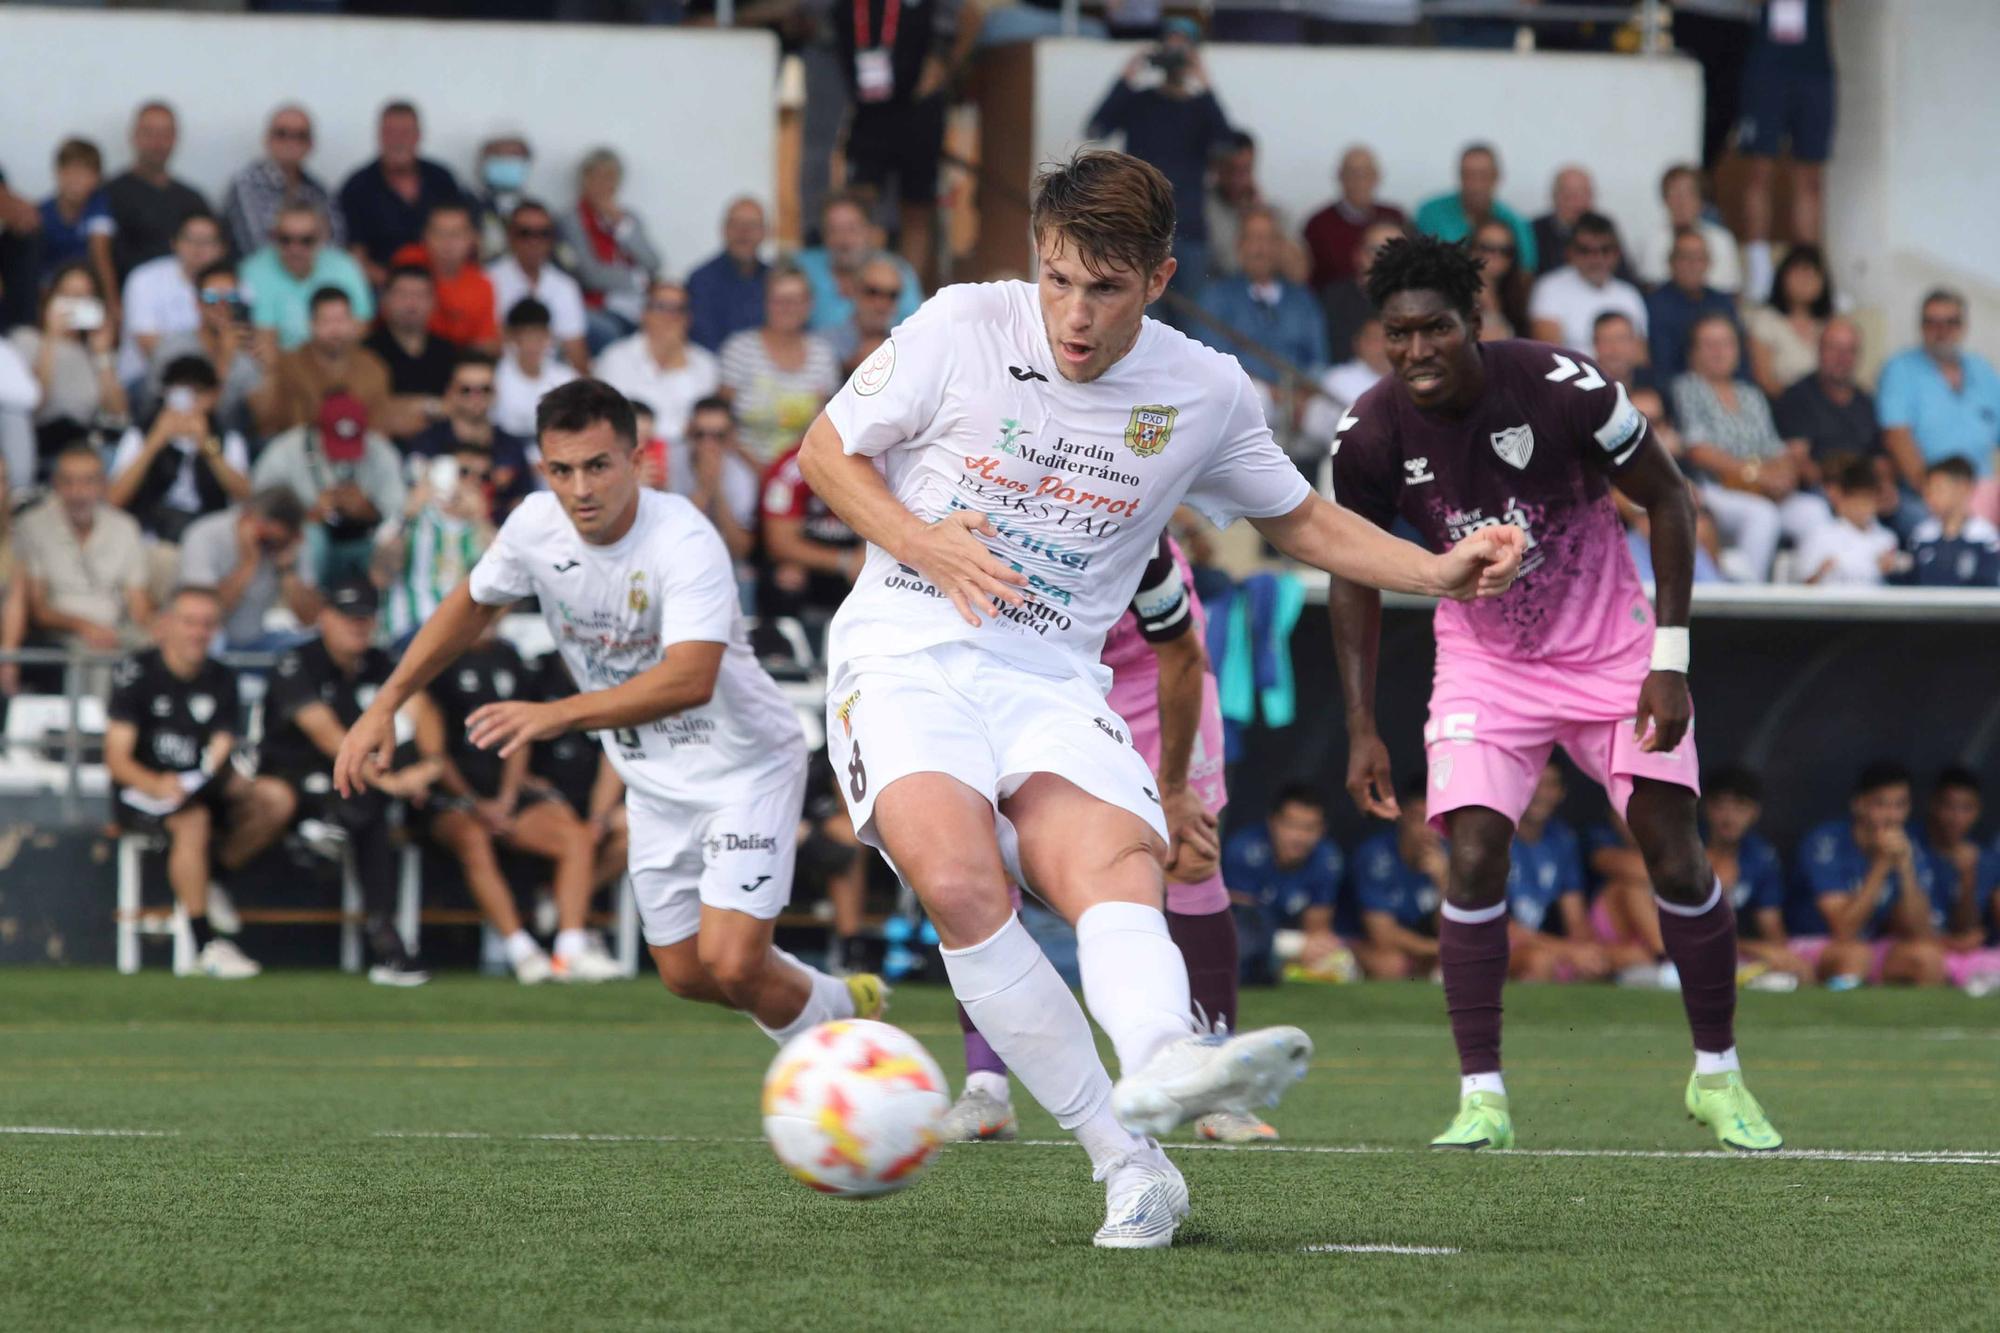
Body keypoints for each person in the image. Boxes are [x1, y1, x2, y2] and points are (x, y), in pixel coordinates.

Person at [795, 150, 1521, 1246]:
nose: (1071, 314)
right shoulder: (958, 325)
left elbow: (1299, 520)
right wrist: (920, 541)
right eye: (1055, 279)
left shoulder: (1205, 388)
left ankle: (1164, 1058)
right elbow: (824, 451)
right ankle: (1128, 1166)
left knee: (1112, 864)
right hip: (904, 647)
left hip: (1048, 673)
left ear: (1160, 279)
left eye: (1103, 288)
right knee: (956, 878)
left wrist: (1437, 569)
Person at [1329, 232, 1782, 1152]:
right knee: (1474, 857)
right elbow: (1350, 572)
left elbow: (1672, 499)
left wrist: (1670, 658)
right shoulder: (1369, 432)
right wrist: (1361, 724)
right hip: (1486, 667)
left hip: (1613, 653)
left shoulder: (1565, 386)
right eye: (1398, 333)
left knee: (1677, 855)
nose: (1416, 350)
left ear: (1475, 323)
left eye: (1435, 329)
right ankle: (1482, 1098)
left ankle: (1717, 1075)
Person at [332, 379, 885, 1055]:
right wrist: (385, 703)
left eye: (597, 465)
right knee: (686, 973)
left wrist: (558, 714)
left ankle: (851, 1067)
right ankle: (835, 999)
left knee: (735, 959)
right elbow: (471, 602)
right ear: (543, 469)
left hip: (745, 768)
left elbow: (690, 677)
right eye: (561, 470)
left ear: (637, 460)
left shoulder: (683, 538)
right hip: (652, 779)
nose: (581, 488)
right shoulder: (534, 526)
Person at [944, 534, 1268, 1145]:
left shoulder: (1124, 496)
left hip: (1152, 671)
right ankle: (985, 1090)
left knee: (1193, 855)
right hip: (1030, 675)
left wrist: (1173, 786)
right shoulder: (976, 486)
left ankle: (1214, 1088)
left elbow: (1179, 650)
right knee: (982, 863)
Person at [414, 619, 624, 983]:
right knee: (472, 838)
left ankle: (569, 947)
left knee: (576, 836)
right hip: (452, 796)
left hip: (505, 794)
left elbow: (520, 734)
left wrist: (508, 799)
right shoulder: (438, 662)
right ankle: (521, 950)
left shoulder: (510, 657)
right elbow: (434, 751)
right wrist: (474, 802)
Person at [106, 585, 295, 979]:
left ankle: (214, 876)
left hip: (198, 786)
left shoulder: (221, 677)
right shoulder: (136, 672)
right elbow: (117, 760)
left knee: (275, 798)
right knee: (191, 821)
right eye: (189, 622)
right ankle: (204, 943)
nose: (198, 632)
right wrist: (157, 784)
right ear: (165, 626)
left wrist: (225, 770)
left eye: (208, 624)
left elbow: (221, 743)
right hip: (143, 792)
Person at [262, 580, 436, 985]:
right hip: (294, 779)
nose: (357, 626)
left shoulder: (380, 663)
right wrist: (393, 782)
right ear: (324, 618)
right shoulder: (297, 661)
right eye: (347, 618)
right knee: (366, 798)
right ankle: (385, 937)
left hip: (356, 785)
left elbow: (423, 711)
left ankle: (382, 931)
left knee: (371, 800)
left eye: (365, 618)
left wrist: (428, 766)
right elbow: (326, 736)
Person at [1674, 312, 1829, 581]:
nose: (1719, 352)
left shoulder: (1751, 394)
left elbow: (1776, 448)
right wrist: (1755, 474)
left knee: (1813, 510)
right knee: (1762, 516)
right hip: (1715, 489)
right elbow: (1697, 449)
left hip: (1764, 488)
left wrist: (1784, 477)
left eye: (1726, 343)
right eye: (1709, 344)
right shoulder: (1687, 387)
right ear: (1694, 352)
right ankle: (1747, 602)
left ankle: (1805, 594)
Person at [1085, 20, 1234, 297]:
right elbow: (1096, 130)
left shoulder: (1199, 108)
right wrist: (1127, 75)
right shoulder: (1140, 102)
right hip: (1141, 229)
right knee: (1142, 320)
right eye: (1170, 46)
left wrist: (1204, 83)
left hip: (1188, 228)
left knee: (1192, 324)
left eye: (1183, 48)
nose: (1175, 55)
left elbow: (1227, 144)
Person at [834, 0, 962, 284]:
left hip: (918, 107)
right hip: (868, 107)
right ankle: (861, 284)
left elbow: (960, 22)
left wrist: (940, 64)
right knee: (858, 201)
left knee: (917, 205)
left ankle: (907, 294)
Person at [1790, 762, 1947, 988]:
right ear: (1859, 805)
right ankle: (1835, 1019)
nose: (1891, 816)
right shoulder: (1826, 843)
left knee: (1927, 957)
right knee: (1854, 956)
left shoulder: (1909, 847)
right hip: (1812, 944)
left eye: (1900, 805)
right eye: (1881, 805)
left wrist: (1905, 869)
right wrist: (1881, 865)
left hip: (1867, 947)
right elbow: (1843, 929)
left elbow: (1920, 932)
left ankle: (1910, 1023)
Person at [17, 445, 152, 665]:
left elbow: (139, 604)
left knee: (158, 645)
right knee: (92, 651)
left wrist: (159, 628)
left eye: (88, 481)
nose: (78, 492)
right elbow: (38, 608)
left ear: (102, 485)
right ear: (56, 485)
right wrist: (84, 626)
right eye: (68, 482)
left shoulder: (125, 527)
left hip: (117, 630)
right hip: (61, 633)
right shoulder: (33, 525)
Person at [251, 391, 405, 586]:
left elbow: (400, 514)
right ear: (318, 429)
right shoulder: (284, 451)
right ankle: (307, 607)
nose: (343, 455)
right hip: (306, 542)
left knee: (393, 541)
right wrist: (309, 514)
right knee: (311, 538)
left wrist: (369, 510)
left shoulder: (381, 451)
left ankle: (384, 607)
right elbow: (258, 511)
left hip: (363, 541)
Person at [1736, 0, 1835, 294]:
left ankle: (1810, 269)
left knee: (1811, 177)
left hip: (1814, 66)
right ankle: (1758, 265)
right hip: (1767, 65)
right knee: (1759, 169)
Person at [108, 355, 253, 553]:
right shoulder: (140, 434)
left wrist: (207, 447)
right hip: (149, 536)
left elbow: (245, 496)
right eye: (181, 393)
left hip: (207, 537)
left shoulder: (227, 439)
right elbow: (113, 499)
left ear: (213, 396)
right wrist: (154, 443)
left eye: (198, 393)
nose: (189, 402)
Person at [1503, 763, 1629, 983]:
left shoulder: (1563, 840)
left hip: (1539, 943)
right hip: (1489, 945)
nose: (1541, 793)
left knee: (1602, 960)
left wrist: (1588, 952)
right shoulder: (1496, 837)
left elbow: (1575, 917)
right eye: (1534, 784)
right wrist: (1567, 950)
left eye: (1550, 785)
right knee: (1540, 961)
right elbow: (1495, 925)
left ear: (1561, 793)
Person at [1195, 207, 1327, 417]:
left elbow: (1318, 357)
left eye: (1269, 239)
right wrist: (1274, 392)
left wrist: (1304, 393)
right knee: (1257, 398)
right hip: (1243, 395)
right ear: (1240, 246)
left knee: (1334, 412)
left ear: (1280, 247)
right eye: (1253, 239)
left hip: (1298, 398)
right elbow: (1212, 360)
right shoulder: (1217, 295)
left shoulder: (1302, 299)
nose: (1261, 249)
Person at [1877, 290, 2000, 514]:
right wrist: (1934, 494)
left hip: (1983, 491)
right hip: (1926, 494)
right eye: (1932, 323)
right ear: (1921, 327)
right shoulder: (1900, 369)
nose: (1941, 331)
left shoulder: (1983, 371)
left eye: (1950, 322)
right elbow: (1897, 438)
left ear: (1963, 326)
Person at [1698, 767, 1813, 986]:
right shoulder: (1684, 849)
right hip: (1674, 952)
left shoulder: (1760, 857)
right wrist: (1753, 948)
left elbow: (1772, 930)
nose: (1729, 817)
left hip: (1730, 953)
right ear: (1706, 808)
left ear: (1754, 812)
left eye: (1740, 807)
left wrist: (1777, 955)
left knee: (1793, 974)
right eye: (1720, 806)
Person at [718, 268, 842, 467]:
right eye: (780, 300)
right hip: (741, 463)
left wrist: (783, 472)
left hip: (800, 465)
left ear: (809, 305)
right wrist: (758, 469)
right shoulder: (739, 349)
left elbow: (823, 427)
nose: (788, 308)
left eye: (796, 301)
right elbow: (721, 418)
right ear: (766, 303)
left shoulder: (823, 355)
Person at [379, 439, 499, 646]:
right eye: (464, 472)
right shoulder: (414, 517)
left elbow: (504, 582)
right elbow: (380, 577)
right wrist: (407, 514)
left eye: (483, 476)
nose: (473, 481)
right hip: (411, 629)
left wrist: (480, 519)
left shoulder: (482, 529)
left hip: (461, 637)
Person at [1226, 785, 1346, 986]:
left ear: (1322, 829)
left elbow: (1317, 929)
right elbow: (1240, 924)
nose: (1299, 836)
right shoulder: (1243, 850)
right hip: (1245, 942)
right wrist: (1295, 946)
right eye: (1291, 825)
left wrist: (1312, 948)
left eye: (1309, 828)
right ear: (1272, 822)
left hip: (1291, 947)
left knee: (1336, 960)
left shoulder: (1327, 859)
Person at [177, 487, 321, 651]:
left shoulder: (292, 544)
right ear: (248, 518)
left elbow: (309, 619)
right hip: (210, 637)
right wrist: (248, 563)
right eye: (268, 540)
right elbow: (204, 614)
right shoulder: (204, 535)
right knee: (210, 641)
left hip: (257, 638)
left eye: (280, 542)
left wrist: (287, 572)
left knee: (313, 645)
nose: (272, 547)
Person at [338, 101, 464, 287]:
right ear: (379, 136)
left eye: (405, 133)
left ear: (418, 136)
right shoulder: (358, 187)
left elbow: (462, 236)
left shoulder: (442, 179)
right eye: (390, 133)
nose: (398, 141)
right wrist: (400, 288)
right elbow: (355, 257)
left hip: (443, 282)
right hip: (382, 288)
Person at [9, 264, 128, 454]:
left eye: (82, 297)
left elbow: (118, 416)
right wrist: (50, 339)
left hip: (82, 444)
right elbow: (35, 404)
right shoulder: (26, 339)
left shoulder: (94, 352)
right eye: (67, 295)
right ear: (51, 298)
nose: (74, 304)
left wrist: (102, 354)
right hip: (37, 440)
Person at [139, 261, 265, 436]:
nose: (222, 305)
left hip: (236, 442)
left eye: (232, 297)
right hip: (178, 440)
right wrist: (225, 356)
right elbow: (195, 415)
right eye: (211, 297)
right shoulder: (174, 348)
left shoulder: (246, 349)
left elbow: (264, 420)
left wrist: (269, 367)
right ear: (197, 303)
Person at [248, 288, 393, 438]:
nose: (335, 330)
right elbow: (265, 422)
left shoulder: (373, 367)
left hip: (359, 452)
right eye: (326, 321)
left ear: (353, 323)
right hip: (299, 453)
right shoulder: (288, 365)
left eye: (341, 320)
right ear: (311, 324)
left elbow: (380, 427)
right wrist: (269, 371)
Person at [405, 352, 536, 519]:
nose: (476, 397)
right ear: (450, 392)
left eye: (485, 389)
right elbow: (415, 500)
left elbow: (525, 505)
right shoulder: (427, 443)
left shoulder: (511, 446)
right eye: (466, 390)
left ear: (495, 393)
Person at [594, 280, 719, 451]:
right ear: (644, 314)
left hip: (689, 458)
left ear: (688, 318)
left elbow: (705, 425)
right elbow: (610, 422)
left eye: (678, 309)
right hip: (631, 454)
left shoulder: (705, 363)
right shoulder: (616, 358)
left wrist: (678, 364)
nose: (670, 316)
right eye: (661, 307)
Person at [558, 148, 661, 352]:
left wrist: (622, 226)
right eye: (599, 176)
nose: (605, 184)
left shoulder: (628, 219)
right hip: (596, 307)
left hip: (637, 307)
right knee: (611, 334)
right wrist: (639, 280)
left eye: (612, 178)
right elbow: (590, 275)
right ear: (585, 179)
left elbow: (653, 263)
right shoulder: (571, 221)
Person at [759, 434, 864, 634]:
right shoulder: (792, 466)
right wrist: (846, 562)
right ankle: (781, 654)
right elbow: (779, 542)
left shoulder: (876, 462)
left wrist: (867, 559)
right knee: (786, 578)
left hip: (861, 557)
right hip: (811, 564)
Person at [1348, 774, 1444, 980]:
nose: (1428, 831)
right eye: (1420, 819)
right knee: (1391, 964)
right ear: (1402, 816)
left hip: (1421, 950)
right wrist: (1436, 949)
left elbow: (1452, 931)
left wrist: (1445, 883)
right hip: (1359, 945)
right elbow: (1382, 935)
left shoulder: (1446, 857)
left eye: (1436, 821)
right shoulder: (1375, 856)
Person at [239, 203, 374, 351]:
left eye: (306, 240)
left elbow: (362, 325)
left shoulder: (345, 265)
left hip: (336, 358)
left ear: (322, 238)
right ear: (274, 237)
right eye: (285, 239)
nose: (295, 249)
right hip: (282, 365)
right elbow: (262, 337)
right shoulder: (253, 270)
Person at [221, 104, 346, 260]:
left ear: (311, 144)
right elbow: (255, 247)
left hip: (314, 277)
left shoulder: (318, 190)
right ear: (267, 139)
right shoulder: (246, 184)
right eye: (282, 134)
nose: (291, 141)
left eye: (300, 135)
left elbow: (336, 245)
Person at [104, 102, 210, 282]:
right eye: (149, 133)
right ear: (134, 136)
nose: (157, 142)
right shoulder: (108, 194)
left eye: (165, 134)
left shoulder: (193, 199)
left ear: (175, 138)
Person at [1771, 316, 1881, 487]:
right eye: (1834, 348)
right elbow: (1799, 463)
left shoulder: (1866, 402)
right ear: (1819, 350)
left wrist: (1881, 487)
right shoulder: (1796, 398)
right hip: (1817, 492)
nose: (1842, 357)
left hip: (1863, 492)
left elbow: (1880, 460)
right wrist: (1843, 492)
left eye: (1850, 350)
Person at [792, 193, 922, 338]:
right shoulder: (803, 267)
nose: (843, 240)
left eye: (852, 229)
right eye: (834, 230)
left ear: (870, 231)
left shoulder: (897, 271)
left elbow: (914, 330)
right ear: (823, 234)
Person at [117, 211, 224, 385]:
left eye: (207, 241)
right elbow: (149, 345)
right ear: (174, 242)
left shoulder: (234, 284)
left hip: (216, 377)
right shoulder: (144, 278)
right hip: (146, 378)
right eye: (190, 239)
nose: (198, 248)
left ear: (222, 249)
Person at [486, 200, 589, 372]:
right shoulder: (489, 280)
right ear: (510, 236)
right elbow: (490, 344)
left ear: (552, 239)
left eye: (543, 233)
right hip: (502, 374)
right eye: (525, 233)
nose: (534, 241)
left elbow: (575, 352)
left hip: (551, 375)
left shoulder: (565, 286)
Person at [363, 265, 460, 443]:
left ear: (433, 302)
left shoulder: (448, 351)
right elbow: (374, 411)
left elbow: (457, 405)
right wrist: (431, 406)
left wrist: (409, 407)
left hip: (441, 447)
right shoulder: (367, 351)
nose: (411, 304)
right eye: (403, 295)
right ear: (385, 299)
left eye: (420, 295)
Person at [1527, 214, 1647, 357]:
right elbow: (1548, 355)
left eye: (1605, 250)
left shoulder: (1629, 294)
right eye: (1585, 250)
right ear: (1570, 252)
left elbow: (1639, 357)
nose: (1596, 258)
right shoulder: (1550, 288)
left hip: (1619, 378)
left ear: (1617, 253)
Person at [393, 203, 498, 354]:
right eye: (439, 233)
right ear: (425, 236)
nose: (447, 243)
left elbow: (484, 343)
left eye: (455, 234)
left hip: (457, 363)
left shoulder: (482, 285)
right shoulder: (408, 261)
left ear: (472, 239)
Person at [1414, 144, 1536, 272]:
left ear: (1496, 177)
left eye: (1483, 175)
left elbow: (1525, 273)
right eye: (1468, 175)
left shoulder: (1515, 222)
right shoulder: (1431, 213)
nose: (1475, 184)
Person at [1302, 145, 1407, 294]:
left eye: (1366, 173)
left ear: (1377, 176)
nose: (1360, 180)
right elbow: (1307, 278)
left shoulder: (1395, 217)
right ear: (1339, 176)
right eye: (1352, 173)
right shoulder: (1317, 225)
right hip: (1335, 308)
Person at [1646, 229, 1745, 383]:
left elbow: (1740, 358)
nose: (1692, 264)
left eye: (1699, 258)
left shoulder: (1723, 302)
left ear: (1708, 263)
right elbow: (1661, 364)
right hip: (1676, 390)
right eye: (1685, 257)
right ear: (1671, 262)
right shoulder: (1654, 304)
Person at [1635, 165, 1742, 296]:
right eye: (1674, 193)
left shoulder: (1721, 239)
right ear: (1665, 200)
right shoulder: (1651, 239)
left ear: (1701, 201)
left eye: (1689, 193)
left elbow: (1730, 289)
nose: (1682, 201)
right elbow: (1648, 285)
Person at [37, 138, 119, 307]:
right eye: (69, 172)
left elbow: (101, 254)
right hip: (50, 291)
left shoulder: (99, 207)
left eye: (84, 173)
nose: (76, 180)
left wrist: (112, 302)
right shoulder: (41, 213)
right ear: (57, 172)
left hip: (90, 291)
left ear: (97, 178)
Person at [1744, 245, 1833, 399]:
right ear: (1782, 278)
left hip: (1825, 408)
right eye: (1799, 273)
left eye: (1812, 275)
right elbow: (1764, 378)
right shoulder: (1766, 319)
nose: (1805, 281)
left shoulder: (1829, 325)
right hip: (1782, 405)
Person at [1896, 458, 2000, 587]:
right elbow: (1910, 582)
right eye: (1928, 491)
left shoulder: (1985, 536)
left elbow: (1988, 584)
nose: (1930, 497)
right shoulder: (1921, 534)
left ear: (1963, 488)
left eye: (1939, 489)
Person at [686, 197, 770, 354]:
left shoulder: (774, 281)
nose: (744, 232)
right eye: (736, 224)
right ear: (723, 230)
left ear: (765, 232)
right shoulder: (701, 281)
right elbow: (702, 344)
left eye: (752, 225)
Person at [1795, 459, 1895, 585]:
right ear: (1841, 500)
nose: (1861, 507)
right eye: (1855, 500)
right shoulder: (1820, 535)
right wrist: (1820, 572)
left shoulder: (1886, 538)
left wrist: (1890, 572)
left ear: (1876, 502)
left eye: (1866, 500)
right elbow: (1804, 586)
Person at [1320, 219, 1402, 366]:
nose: (1387, 258)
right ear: (1359, 255)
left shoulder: (1422, 299)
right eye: (1377, 250)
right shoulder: (1335, 299)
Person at [493, 298, 577, 439]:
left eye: (539, 337)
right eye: (526, 337)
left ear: (549, 336)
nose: (533, 345)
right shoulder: (496, 378)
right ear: (512, 337)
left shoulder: (566, 378)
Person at [1529, 166, 1613, 280]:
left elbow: (1624, 276)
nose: (1579, 203)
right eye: (1571, 196)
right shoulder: (1533, 231)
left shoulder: (1605, 228)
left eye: (1585, 195)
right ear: (1554, 198)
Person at [826, 254, 903, 375]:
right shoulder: (826, 344)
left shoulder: (904, 344)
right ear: (854, 290)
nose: (882, 303)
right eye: (872, 292)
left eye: (892, 295)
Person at [468, 134, 533, 261]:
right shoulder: (468, 207)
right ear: (484, 161)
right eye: (499, 156)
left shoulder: (536, 212)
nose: (507, 162)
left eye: (514, 157)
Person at [1470, 218, 1531, 343]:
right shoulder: (1455, 298)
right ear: (1471, 250)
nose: (1496, 255)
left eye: (1505, 250)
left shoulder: (1517, 297)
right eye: (1487, 248)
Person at [1591, 312, 1657, 396]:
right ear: (1595, 345)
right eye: (1607, 341)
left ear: (1635, 343)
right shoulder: (1582, 392)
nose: (1616, 349)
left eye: (1622, 340)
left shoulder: (1654, 385)